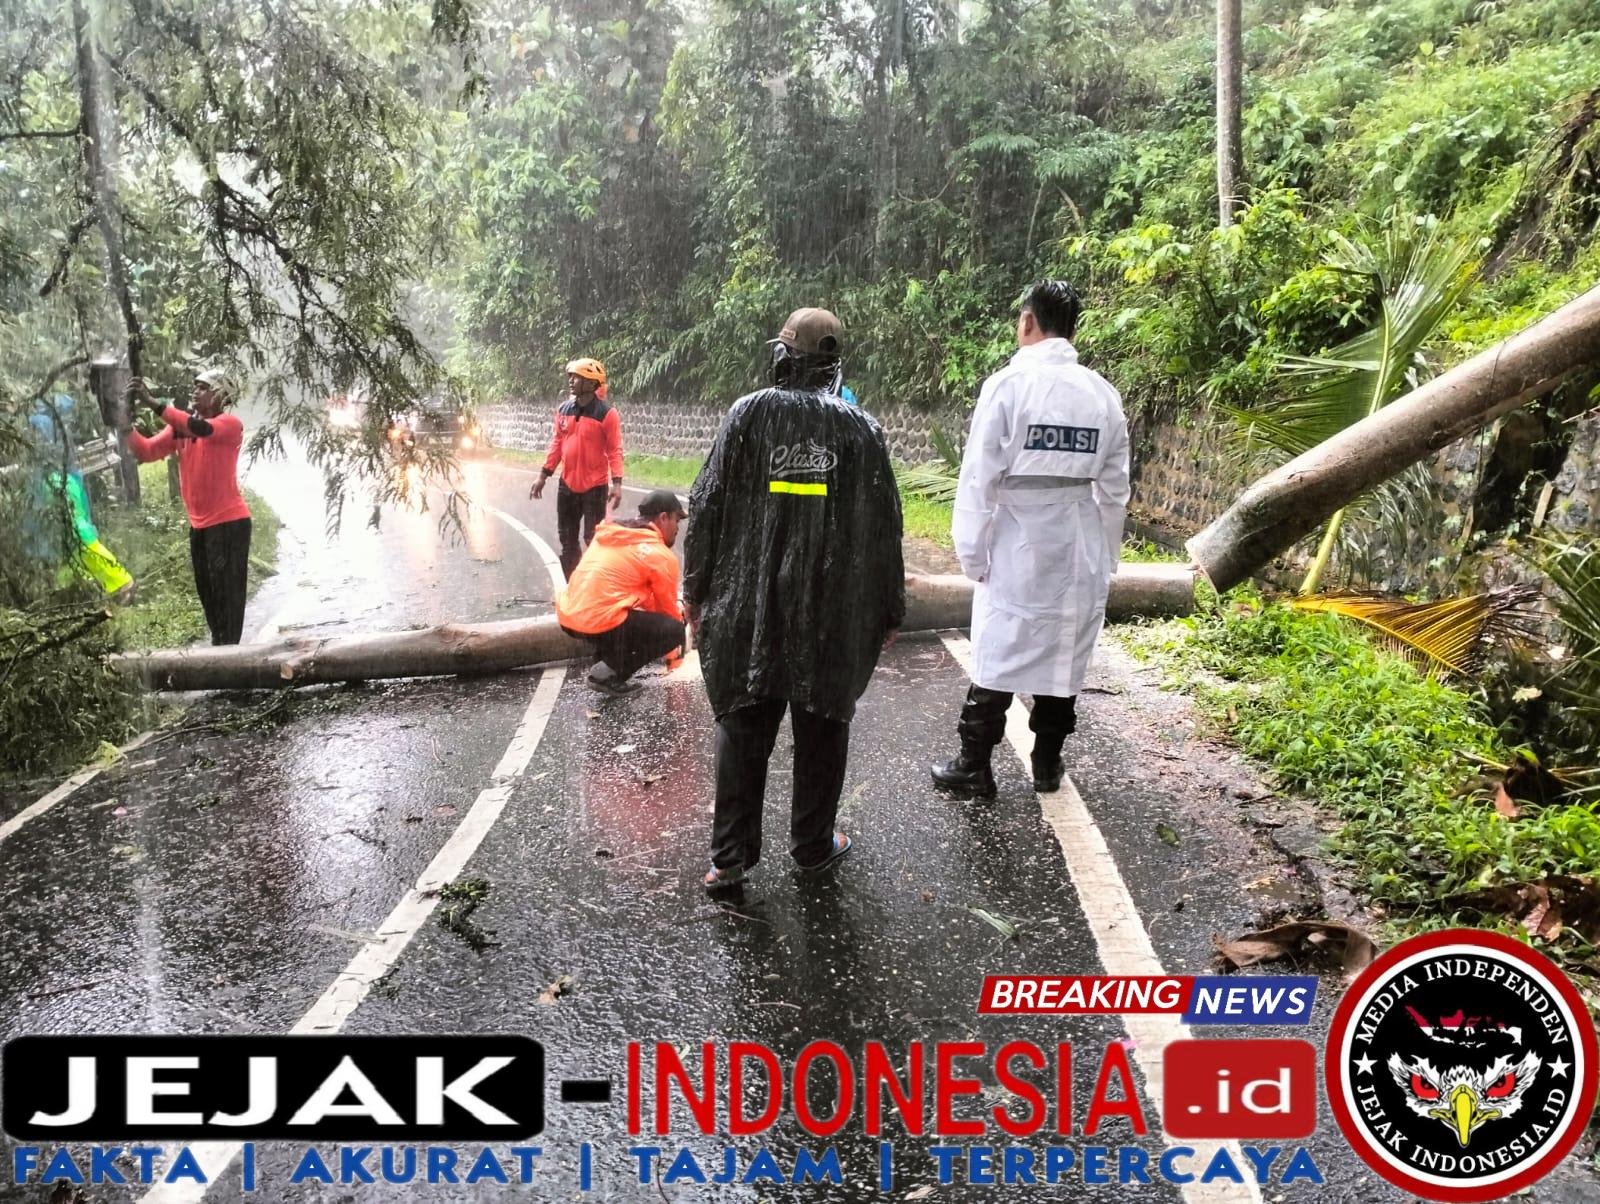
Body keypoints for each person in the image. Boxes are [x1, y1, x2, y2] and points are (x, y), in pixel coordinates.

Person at [684, 307, 905, 893]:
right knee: (823, 718)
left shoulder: (747, 415)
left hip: (747, 605)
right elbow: (886, 528)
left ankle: (729, 856)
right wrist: (889, 609)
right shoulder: (861, 430)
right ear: (834, 364)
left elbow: (705, 507)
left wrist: (695, 591)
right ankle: (812, 845)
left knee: (744, 717)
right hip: (832, 611)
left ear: (783, 357)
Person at [930, 279, 1130, 799]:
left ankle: (974, 764)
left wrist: (971, 552)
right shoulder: (1102, 394)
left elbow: (979, 478)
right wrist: (1107, 552)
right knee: (1063, 653)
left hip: (1018, 532)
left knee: (1000, 646)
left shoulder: (1007, 387)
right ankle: (1047, 764)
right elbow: (1115, 486)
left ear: (1027, 323)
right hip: (1079, 531)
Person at [126, 367, 253, 645]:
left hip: (229, 524)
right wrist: (123, 425)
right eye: (195, 386)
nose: (195, 391)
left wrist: (154, 404)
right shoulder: (180, 430)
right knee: (208, 595)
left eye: (204, 387)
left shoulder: (229, 425)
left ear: (221, 394)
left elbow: (201, 428)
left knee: (227, 598)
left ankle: (231, 661)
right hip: (200, 527)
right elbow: (146, 451)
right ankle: (223, 657)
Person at [555, 489, 687, 697]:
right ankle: (608, 672)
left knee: (621, 615)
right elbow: (667, 612)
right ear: (664, 517)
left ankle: (603, 660)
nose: (677, 528)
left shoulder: (611, 534)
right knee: (673, 630)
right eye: (676, 520)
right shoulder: (659, 554)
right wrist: (674, 660)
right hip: (597, 618)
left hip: (568, 614)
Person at [531, 357, 624, 579]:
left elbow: (615, 450)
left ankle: (594, 585)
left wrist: (617, 483)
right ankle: (573, 586)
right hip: (567, 485)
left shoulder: (607, 414)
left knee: (593, 540)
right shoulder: (564, 410)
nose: (571, 381)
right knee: (568, 540)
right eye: (570, 376)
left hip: (595, 487)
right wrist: (543, 475)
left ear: (592, 383)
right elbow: (557, 443)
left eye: (577, 377)